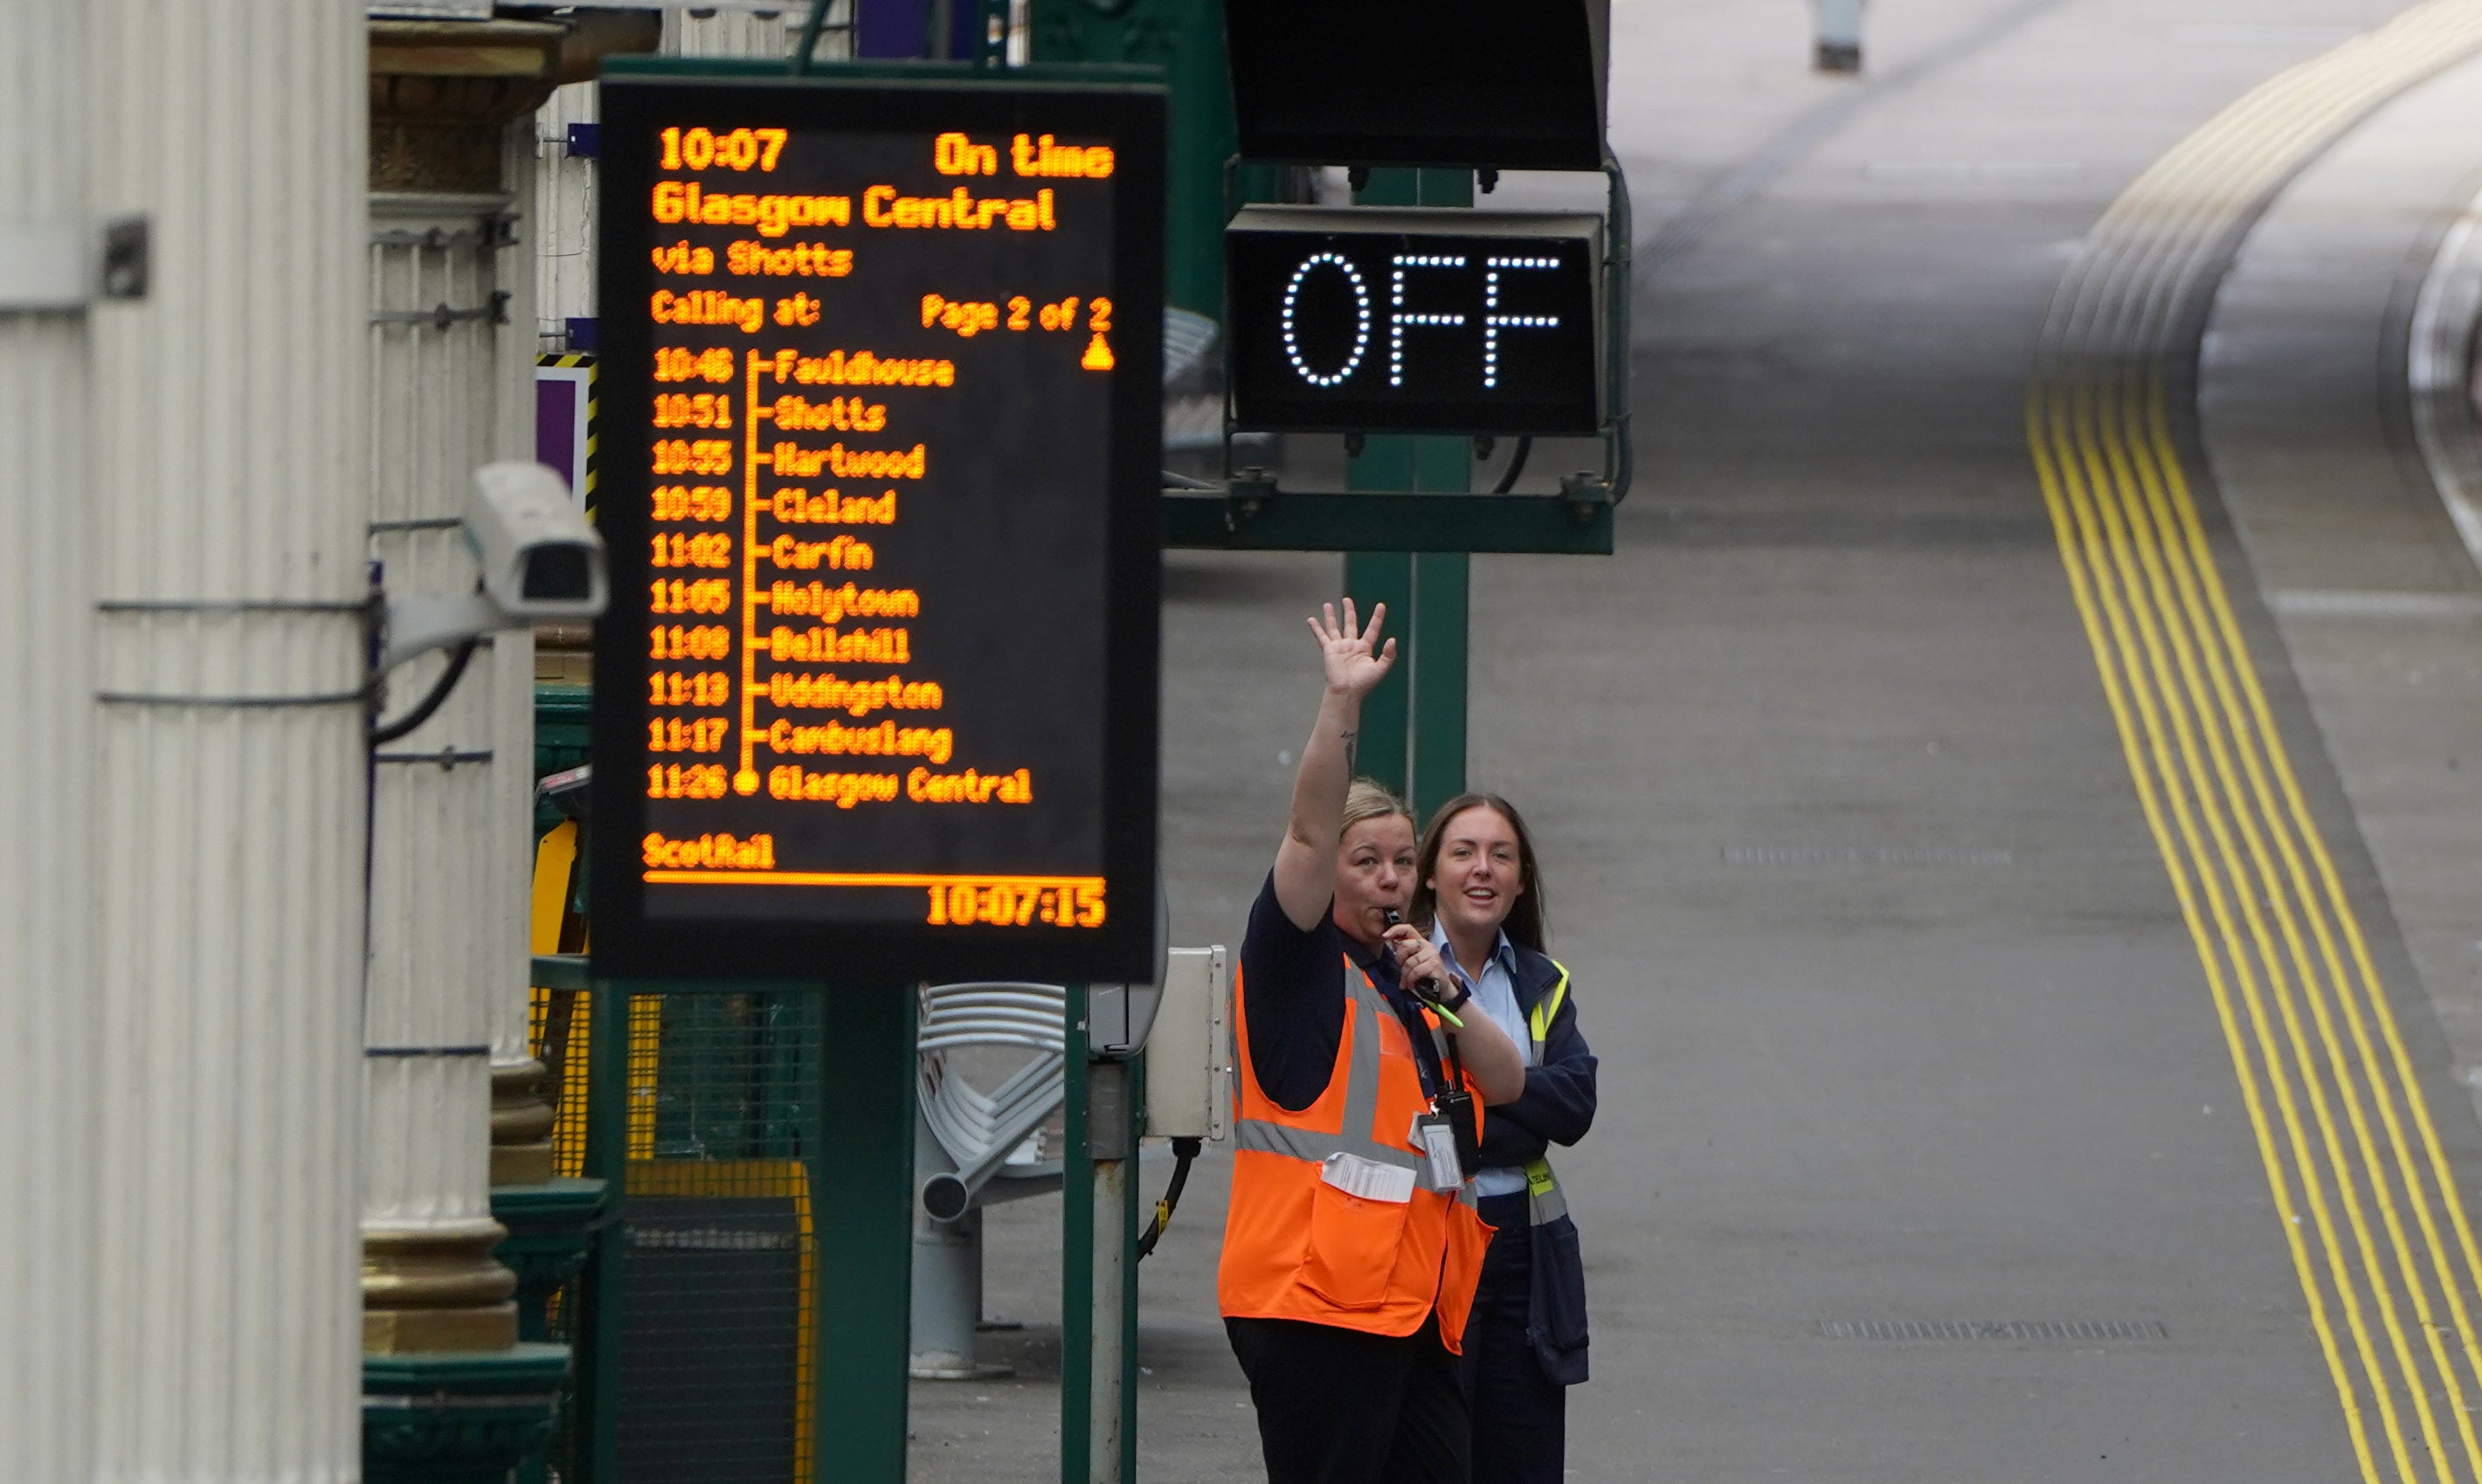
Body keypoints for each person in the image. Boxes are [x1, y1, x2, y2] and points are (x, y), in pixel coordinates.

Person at [1220, 599, 1531, 1484]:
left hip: (1410, 1307)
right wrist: (1340, 703)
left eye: (1402, 860)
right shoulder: (1297, 964)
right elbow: (1311, 830)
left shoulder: (1410, 984)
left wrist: (1447, 990)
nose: (1391, 877)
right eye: (1369, 862)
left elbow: (1507, 1081)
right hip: (1312, 1304)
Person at [1413, 794, 1597, 1484]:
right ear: (1430, 872)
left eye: (1501, 855)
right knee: (1435, 1456)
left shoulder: (1541, 982)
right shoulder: (1397, 973)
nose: (1481, 869)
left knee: (1522, 1460)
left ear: (1521, 880)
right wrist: (1521, 1106)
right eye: (1463, 852)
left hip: (1523, 1247)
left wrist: (1485, 1104)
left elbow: (1575, 1106)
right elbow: (1422, 1109)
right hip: (1430, 1240)